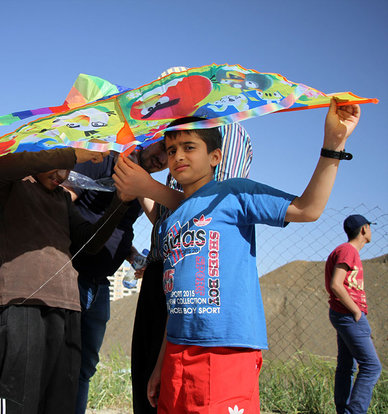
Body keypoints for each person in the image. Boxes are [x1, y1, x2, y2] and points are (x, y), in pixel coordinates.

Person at [114, 98, 361, 413]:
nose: (177, 156)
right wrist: (162, 363)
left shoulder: (233, 193)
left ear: (216, 156)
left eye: (189, 147)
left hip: (225, 351)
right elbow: (176, 299)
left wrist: (333, 144)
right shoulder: (170, 223)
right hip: (176, 352)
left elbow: (307, 208)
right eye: (172, 150)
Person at [0, 147, 134, 414]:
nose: (63, 175)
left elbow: (89, 243)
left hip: (68, 306)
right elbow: (9, 164)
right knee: (14, 399)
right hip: (21, 301)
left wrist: (119, 202)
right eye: (59, 165)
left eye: (68, 171)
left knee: (60, 400)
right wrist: (79, 155)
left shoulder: (61, 199)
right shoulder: (6, 182)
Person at [129, 121, 253, 414]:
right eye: (170, 149)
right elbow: (164, 218)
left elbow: (212, 204)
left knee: (188, 388)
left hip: (198, 275)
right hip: (163, 270)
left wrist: (147, 185)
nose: (173, 155)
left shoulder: (226, 130)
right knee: (148, 381)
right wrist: (141, 184)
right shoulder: (177, 140)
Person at [63, 141, 169, 414]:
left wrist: (133, 256)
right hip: (73, 276)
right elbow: (62, 201)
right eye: (158, 148)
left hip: (101, 285)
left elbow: (138, 225)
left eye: (167, 155)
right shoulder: (101, 161)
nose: (159, 158)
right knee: (62, 361)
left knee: (85, 366)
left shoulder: (140, 184)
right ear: (145, 139)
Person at [325, 214, 382, 414]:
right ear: (364, 229)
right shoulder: (348, 251)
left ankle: (343, 409)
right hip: (349, 314)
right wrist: (357, 311)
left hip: (344, 314)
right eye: (370, 227)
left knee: (346, 366)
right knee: (371, 367)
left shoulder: (346, 251)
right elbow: (336, 284)